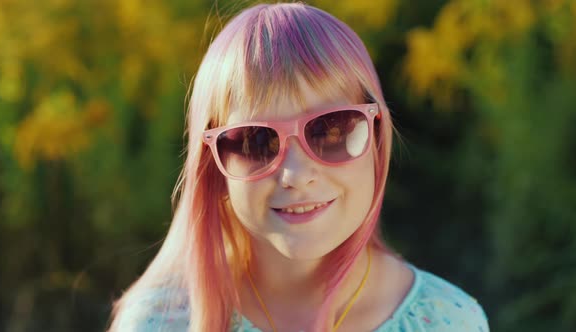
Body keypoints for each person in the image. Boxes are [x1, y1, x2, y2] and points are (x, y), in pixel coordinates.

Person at [108, 3, 489, 332]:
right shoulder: (161, 322)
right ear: (214, 165)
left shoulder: (448, 321)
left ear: (376, 139)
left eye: (332, 130)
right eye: (255, 141)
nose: (295, 174)